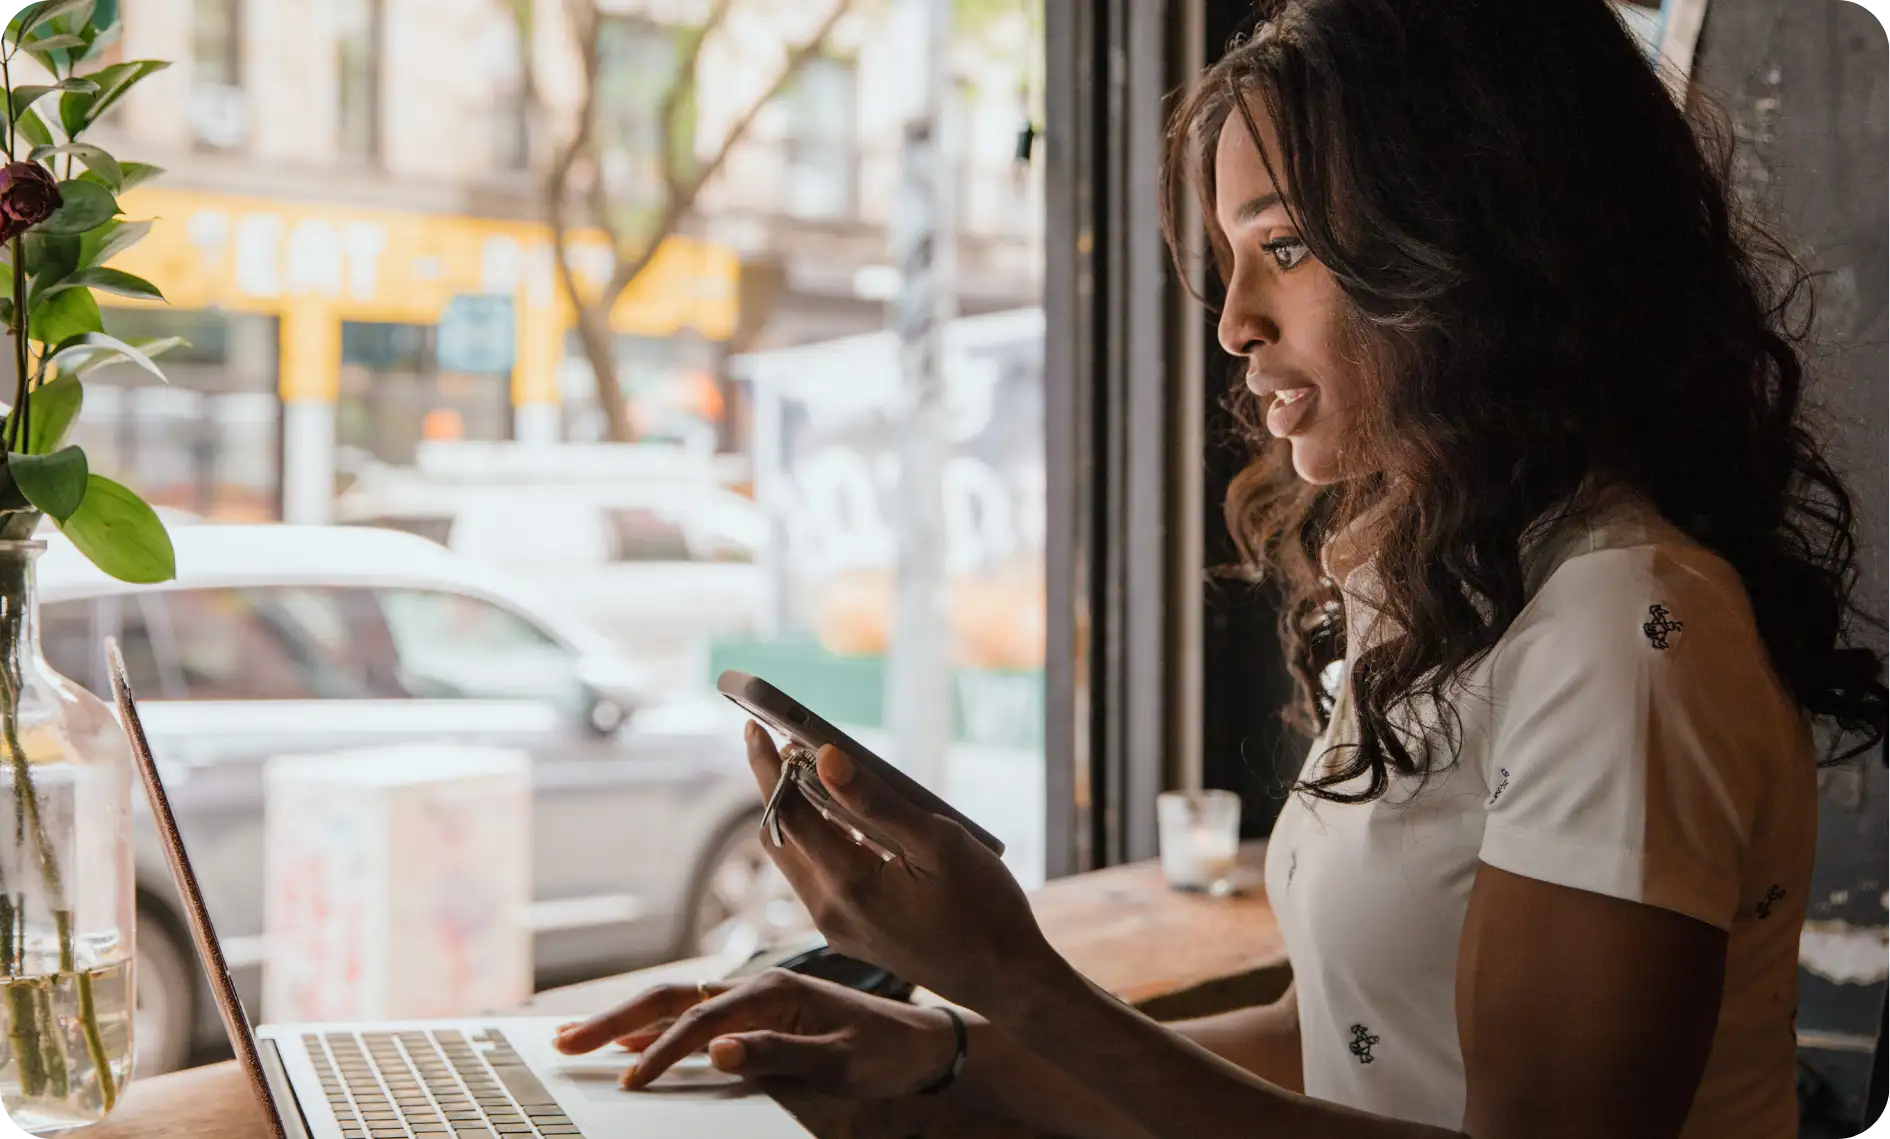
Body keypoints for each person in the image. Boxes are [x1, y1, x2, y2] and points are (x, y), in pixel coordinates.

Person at [554, 2, 1889, 1136]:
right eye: (1231, 260)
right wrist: (936, 1047)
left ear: (1482, 242)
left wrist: (1015, 979)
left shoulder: (1623, 623)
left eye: (1287, 247)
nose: (1236, 323)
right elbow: (1335, 1040)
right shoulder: (1453, 594)